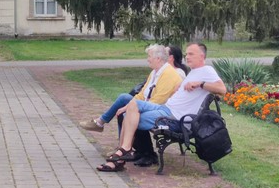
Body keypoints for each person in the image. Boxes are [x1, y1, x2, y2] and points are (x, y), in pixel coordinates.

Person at [96, 42, 226, 172]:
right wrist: (179, 89)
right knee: (130, 107)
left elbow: (222, 89)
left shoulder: (207, 70)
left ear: (202, 56)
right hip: (166, 109)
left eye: (191, 54)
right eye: (187, 54)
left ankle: (121, 154)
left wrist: (200, 84)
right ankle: (124, 151)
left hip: (175, 118)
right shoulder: (193, 72)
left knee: (130, 113)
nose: (187, 56)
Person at [79, 44, 182, 133]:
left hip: (160, 111)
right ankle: (120, 145)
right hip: (147, 104)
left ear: (158, 59)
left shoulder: (169, 74)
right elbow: (142, 94)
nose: (147, 59)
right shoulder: (155, 72)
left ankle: (102, 125)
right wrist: (129, 106)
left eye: (149, 56)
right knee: (123, 103)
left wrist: (133, 107)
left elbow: (158, 101)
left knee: (126, 110)